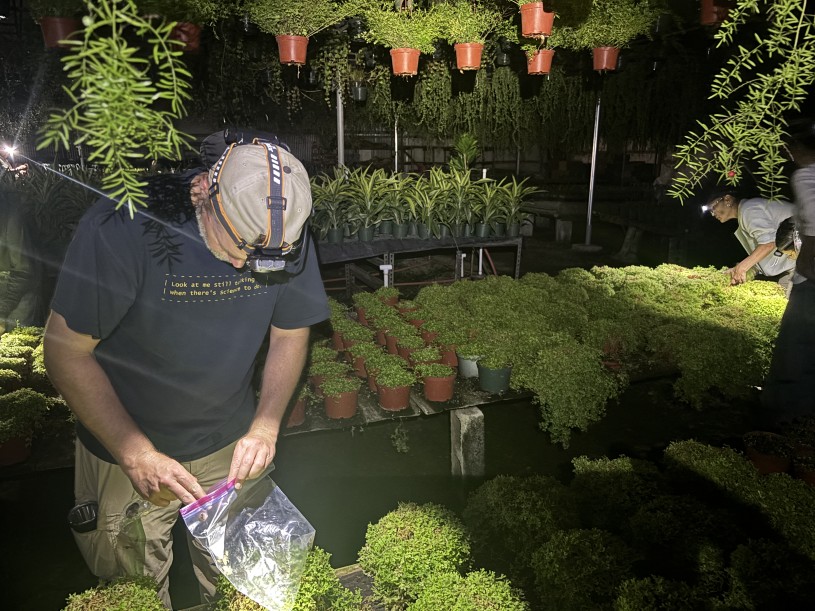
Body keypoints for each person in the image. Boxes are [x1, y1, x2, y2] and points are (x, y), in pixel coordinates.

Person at [42, 139, 330, 607]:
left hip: (228, 445)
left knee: (252, 589)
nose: (242, 266)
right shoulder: (122, 225)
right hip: (124, 445)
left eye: (261, 258)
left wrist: (265, 425)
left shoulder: (282, 228)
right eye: (235, 247)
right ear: (203, 192)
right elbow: (64, 351)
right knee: (133, 591)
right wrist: (135, 453)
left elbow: (290, 332)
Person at [762, 120, 815, 424]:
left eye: (787, 147)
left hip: (812, 280)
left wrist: (805, 266)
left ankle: (785, 425)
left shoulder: (806, 175)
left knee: (795, 356)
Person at [705, 190, 796, 294]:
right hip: (795, 264)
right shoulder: (746, 212)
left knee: (793, 299)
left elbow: (768, 243)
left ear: (727, 200)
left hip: (806, 257)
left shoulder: (749, 210)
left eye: (713, 207)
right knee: (785, 297)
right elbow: (765, 249)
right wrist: (738, 269)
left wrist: (742, 268)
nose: (713, 214)